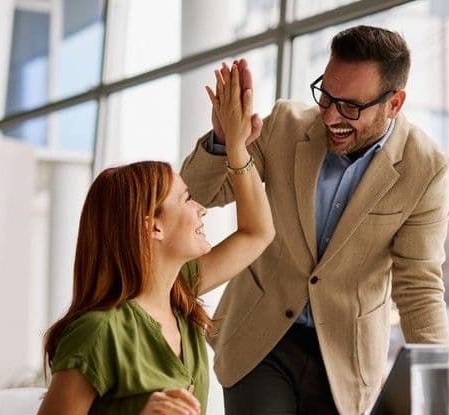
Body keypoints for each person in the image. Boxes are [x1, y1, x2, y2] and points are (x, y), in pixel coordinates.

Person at [181, 25, 449, 415]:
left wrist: (443, 391)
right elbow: (197, 194)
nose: (331, 116)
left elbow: (419, 285)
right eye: (326, 96)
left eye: (350, 106)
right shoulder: (285, 125)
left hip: (344, 360)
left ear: (394, 104)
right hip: (259, 341)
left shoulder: (425, 167)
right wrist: (222, 139)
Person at [37, 63, 274, 415]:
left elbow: (258, 232)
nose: (201, 210)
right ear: (153, 227)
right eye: (186, 199)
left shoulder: (181, 294)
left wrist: (236, 146)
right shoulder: (98, 332)